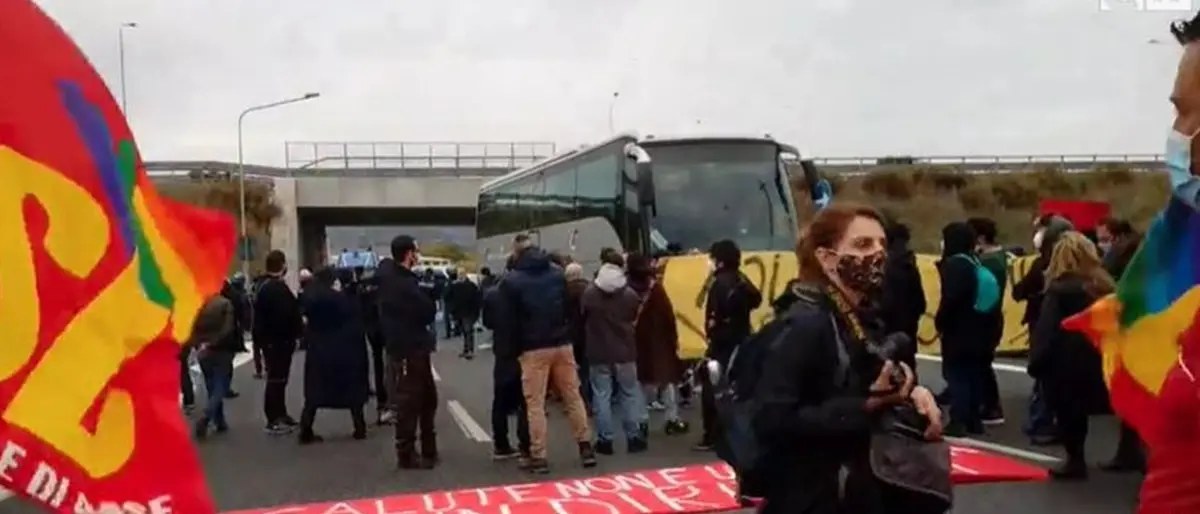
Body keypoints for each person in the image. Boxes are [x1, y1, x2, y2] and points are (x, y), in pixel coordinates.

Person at [753, 203, 945, 514]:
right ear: (826, 258)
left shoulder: (863, 317)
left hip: (860, 488)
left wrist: (913, 394)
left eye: (882, 244)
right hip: (812, 498)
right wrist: (869, 405)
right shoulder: (806, 323)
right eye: (862, 244)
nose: (878, 254)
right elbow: (773, 419)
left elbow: (866, 379)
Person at [497, 234, 596, 474]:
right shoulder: (555, 273)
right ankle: (585, 447)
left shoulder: (511, 281)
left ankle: (539, 455)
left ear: (516, 254)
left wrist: (511, 351)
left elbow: (508, 322)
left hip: (532, 347)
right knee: (573, 396)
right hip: (561, 342)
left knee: (535, 404)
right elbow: (567, 307)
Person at [1026, 231, 1114, 480]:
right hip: (1098, 356)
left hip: (1064, 363)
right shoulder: (1104, 286)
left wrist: (1037, 361)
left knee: (1069, 414)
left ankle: (1075, 459)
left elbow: (1047, 330)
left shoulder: (1060, 290)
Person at [378, 236, 440, 469]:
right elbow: (425, 311)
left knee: (427, 399)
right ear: (408, 253)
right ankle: (406, 452)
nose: (418, 255)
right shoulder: (400, 283)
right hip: (407, 348)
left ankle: (428, 447)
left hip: (414, 347)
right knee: (409, 401)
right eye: (415, 251)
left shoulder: (397, 279)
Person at [1013, 214, 1074, 445]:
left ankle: (1040, 421)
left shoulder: (1043, 265)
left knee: (1043, 376)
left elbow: (1019, 291)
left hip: (1043, 324)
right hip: (1067, 331)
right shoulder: (1082, 266)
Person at [696, 239, 762, 452]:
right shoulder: (741, 280)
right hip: (742, 340)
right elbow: (756, 299)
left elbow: (714, 317)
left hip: (722, 345)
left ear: (720, 261)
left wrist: (714, 333)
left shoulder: (719, 284)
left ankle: (712, 435)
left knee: (713, 388)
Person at [580, 251, 646, 455]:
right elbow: (634, 316)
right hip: (625, 350)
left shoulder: (590, 293)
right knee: (629, 394)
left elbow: (583, 316)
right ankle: (633, 437)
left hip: (598, 351)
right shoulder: (629, 294)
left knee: (602, 396)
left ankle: (605, 440)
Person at [297, 268, 371, 444]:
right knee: (352, 391)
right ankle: (359, 428)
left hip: (319, 350)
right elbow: (357, 320)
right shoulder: (345, 301)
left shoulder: (310, 298)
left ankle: (305, 430)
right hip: (346, 350)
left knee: (314, 393)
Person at [935, 221, 993, 436]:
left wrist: (940, 321)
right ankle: (974, 420)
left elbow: (951, 299)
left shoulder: (955, 265)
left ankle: (958, 420)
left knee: (957, 375)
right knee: (973, 374)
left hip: (959, 329)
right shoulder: (974, 262)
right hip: (979, 326)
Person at [1098, 230, 1147, 473]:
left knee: (1133, 400)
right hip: (1143, 344)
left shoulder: (1135, 279)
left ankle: (1132, 453)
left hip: (1136, 344)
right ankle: (1131, 452)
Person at [627, 253, 688, 436]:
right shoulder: (656, 289)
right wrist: (674, 339)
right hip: (659, 343)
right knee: (667, 381)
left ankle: (641, 421)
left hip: (635, 341)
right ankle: (671, 419)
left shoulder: (625, 290)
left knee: (639, 383)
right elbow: (668, 317)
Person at [484, 255, 531, 462]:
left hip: (502, 350)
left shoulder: (493, 294)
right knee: (526, 401)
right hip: (524, 349)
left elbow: (487, 322)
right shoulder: (526, 291)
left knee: (500, 402)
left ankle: (501, 444)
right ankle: (525, 445)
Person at [253, 250, 305, 435]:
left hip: (275, 341)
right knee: (275, 379)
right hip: (277, 342)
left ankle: (281, 413)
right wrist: (298, 331)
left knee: (281, 380)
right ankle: (273, 419)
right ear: (282, 265)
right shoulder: (274, 288)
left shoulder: (265, 285)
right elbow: (286, 314)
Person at [967, 216, 1009, 426]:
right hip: (991, 317)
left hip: (986, 318)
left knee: (981, 363)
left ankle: (991, 406)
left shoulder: (990, 263)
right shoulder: (995, 257)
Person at [878, 219, 925, 372]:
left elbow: (884, 301)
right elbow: (920, 301)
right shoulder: (910, 263)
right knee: (908, 367)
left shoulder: (883, 263)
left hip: (888, 328)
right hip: (909, 327)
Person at [190, 292, 237, 439]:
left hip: (203, 350)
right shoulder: (225, 304)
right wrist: (214, 342)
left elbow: (191, 326)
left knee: (211, 384)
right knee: (221, 385)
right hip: (221, 350)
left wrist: (198, 344)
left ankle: (219, 421)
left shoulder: (197, 303)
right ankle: (207, 415)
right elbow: (228, 328)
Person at [358, 264, 392, 425]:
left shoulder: (365, 287)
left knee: (379, 365)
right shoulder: (388, 286)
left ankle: (382, 405)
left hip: (371, 330)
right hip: (388, 330)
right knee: (391, 367)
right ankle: (388, 405)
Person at [563, 262, 591, 411]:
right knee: (587, 370)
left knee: (571, 371)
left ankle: (576, 401)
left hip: (570, 335)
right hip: (587, 333)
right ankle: (588, 399)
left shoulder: (564, 292)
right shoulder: (589, 289)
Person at [447, 268, 483, 359]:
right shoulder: (465, 286)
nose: (460, 276)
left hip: (467, 312)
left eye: (461, 274)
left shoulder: (468, 286)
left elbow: (449, 298)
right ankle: (467, 350)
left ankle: (469, 350)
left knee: (468, 331)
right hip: (464, 312)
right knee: (466, 332)